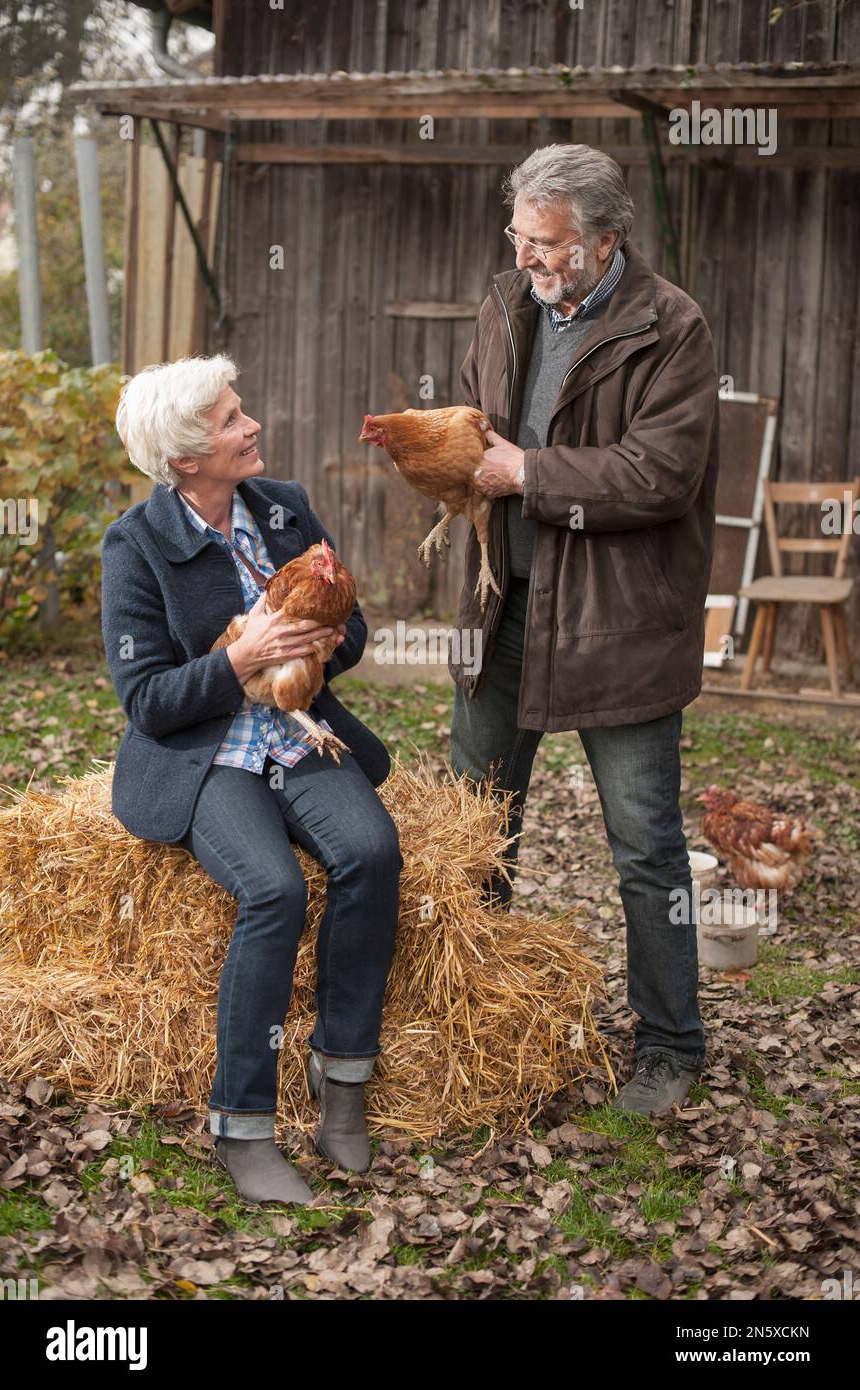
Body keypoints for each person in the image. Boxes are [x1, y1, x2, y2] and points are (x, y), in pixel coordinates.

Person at [448, 144, 719, 1118]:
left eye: (552, 245)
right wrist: (441, 446)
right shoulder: (508, 301)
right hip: (504, 606)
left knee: (645, 843)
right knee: (476, 826)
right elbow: (487, 428)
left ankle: (671, 1044)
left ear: (608, 239)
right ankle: (470, 1015)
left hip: (620, 623)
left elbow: (659, 476)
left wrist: (528, 474)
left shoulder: (670, 326)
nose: (532, 260)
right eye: (521, 239)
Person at [101, 354, 403, 1204]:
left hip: (300, 732)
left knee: (372, 852)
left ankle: (342, 1079)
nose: (253, 425)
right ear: (187, 457)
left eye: (242, 410)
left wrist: (317, 639)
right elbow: (148, 700)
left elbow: (353, 627)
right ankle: (243, 1126)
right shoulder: (136, 547)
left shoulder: (283, 507)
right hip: (207, 753)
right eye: (233, 420)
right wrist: (238, 661)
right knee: (271, 889)